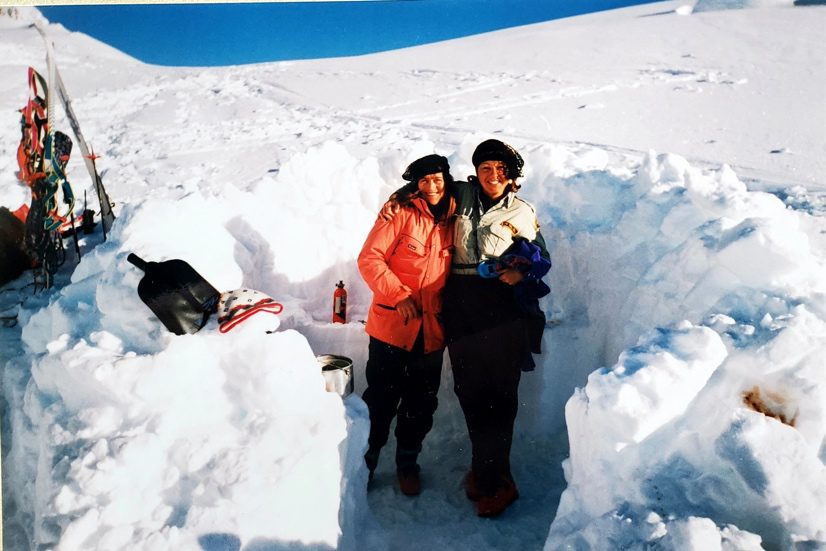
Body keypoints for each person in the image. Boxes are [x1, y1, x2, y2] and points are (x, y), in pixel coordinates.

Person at [382, 139, 550, 516]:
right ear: (476, 172)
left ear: (512, 177)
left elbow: (542, 258)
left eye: (501, 170)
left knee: (501, 396)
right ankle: (482, 469)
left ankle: (501, 481)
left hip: (502, 309)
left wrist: (519, 269)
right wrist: (401, 194)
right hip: (460, 305)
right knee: (470, 392)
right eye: (486, 168)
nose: (492, 176)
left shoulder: (522, 211)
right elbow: (430, 185)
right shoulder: (461, 193)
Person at [357, 154, 456, 496]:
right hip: (392, 328)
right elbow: (369, 258)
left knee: (421, 404)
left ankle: (407, 463)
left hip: (431, 332)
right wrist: (399, 294)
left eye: (438, 179)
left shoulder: (457, 215)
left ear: (447, 177)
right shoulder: (400, 213)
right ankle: (364, 464)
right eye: (424, 180)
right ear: (415, 184)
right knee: (380, 401)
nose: (432, 186)